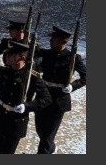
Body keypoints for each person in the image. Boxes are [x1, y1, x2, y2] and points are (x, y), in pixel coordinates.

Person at [0, 42, 51, 154]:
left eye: (11, 55)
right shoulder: (3, 71)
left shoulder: (32, 77)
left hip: (16, 122)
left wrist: (27, 106)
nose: (6, 57)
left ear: (22, 57)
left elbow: (46, 99)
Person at [33, 25, 87, 154]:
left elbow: (86, 76)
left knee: (47, 135)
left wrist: (73, 86)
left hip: (59, 99)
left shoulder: (73, 58)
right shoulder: (45, 54)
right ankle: (51, 148)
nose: (51, 41)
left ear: (64, 41)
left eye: (54, 39)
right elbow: (30, 57)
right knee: (41, 130)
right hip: (43, 95)